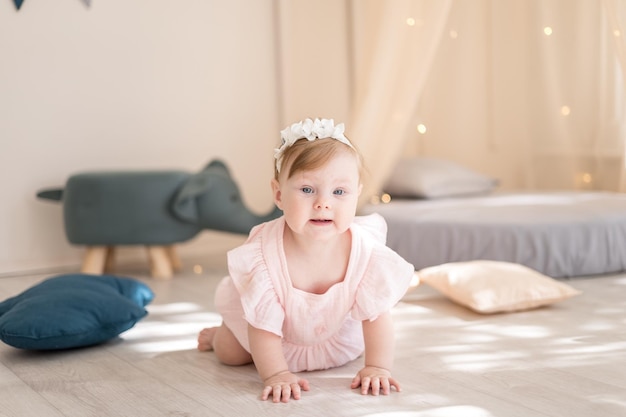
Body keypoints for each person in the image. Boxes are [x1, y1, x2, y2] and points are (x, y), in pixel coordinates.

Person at [197, 118, 415, 403]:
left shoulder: (364, 249)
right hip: (273, 339)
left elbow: (376, 317)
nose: (323, 203)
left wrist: (377, 367)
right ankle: (217, 336)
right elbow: (262, 327)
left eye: (339, 192)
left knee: (365, 343)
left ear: (356, 194)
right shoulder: (265, 253)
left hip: (333, 337)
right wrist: (276, 374)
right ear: (279, 194)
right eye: (307, 189)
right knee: (231, 353)